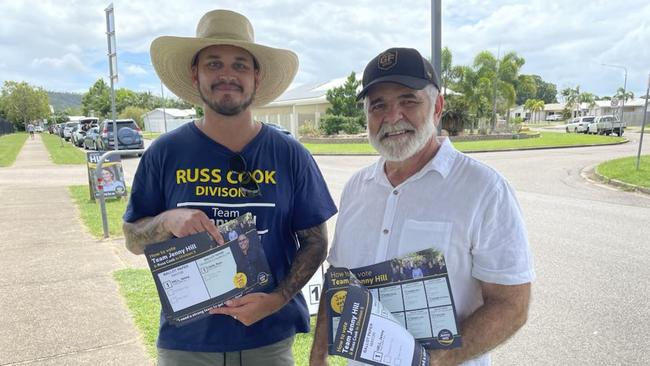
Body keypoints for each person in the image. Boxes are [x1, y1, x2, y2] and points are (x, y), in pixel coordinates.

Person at [122, 9, 337, 366]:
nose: (227, 75)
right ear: (196, 74)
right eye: (214, 64)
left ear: (256, 76)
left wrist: (276, 299)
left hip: (267, 343)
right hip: (186, 345)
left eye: (239, 65)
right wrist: (168, 221)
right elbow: (132, 238)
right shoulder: (164, 153)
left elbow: (316, 241)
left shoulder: (290, 155)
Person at [310, 48, 534, 366]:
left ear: (437, 107)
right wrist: (317, 355)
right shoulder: (357, 189)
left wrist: (432, 361)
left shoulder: (484, 189)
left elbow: (512, 305)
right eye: (378, 106)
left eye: (408, 101)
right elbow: (340, 277)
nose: (392, 116)